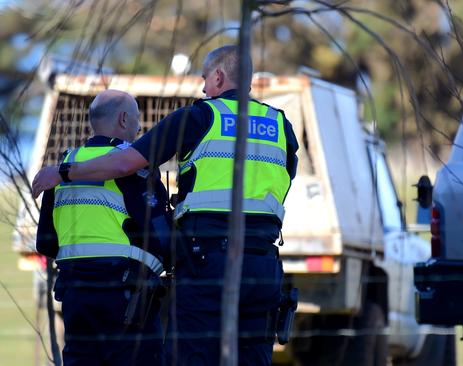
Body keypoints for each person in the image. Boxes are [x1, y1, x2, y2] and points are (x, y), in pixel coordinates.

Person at [32, 45, 299, 365]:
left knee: (193, 356)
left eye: (204, 78)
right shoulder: (281, 126)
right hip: (263, 263)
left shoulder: (198, 117)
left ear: (218, 75)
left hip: (208, 261)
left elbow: (123, 164)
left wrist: (63, 173)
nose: (202, 87)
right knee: (253, 357)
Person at [36, 89, 171, 365]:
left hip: (76, 295)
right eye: (136, 119)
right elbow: (160, 237)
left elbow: (46, 243)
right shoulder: (133, 165)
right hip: (125, 300)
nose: (138, 126)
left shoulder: (64, 166)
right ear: (123, 120)